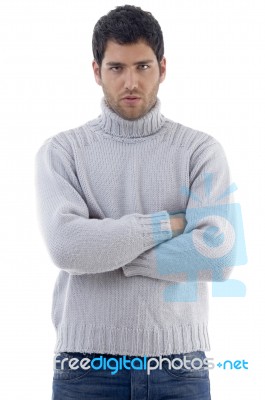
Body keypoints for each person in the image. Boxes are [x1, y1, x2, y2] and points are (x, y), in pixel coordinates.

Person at [35, 5, 239, 400]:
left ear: (163, 68)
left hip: (179, 366)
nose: (131, 81)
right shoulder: (63, 152)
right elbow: (67, 246)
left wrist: (112, 252)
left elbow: (218, 257)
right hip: (87, 366)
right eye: (116, 68)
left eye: (143, 66)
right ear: (96, 71)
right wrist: (171, 225)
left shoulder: (200, 151)